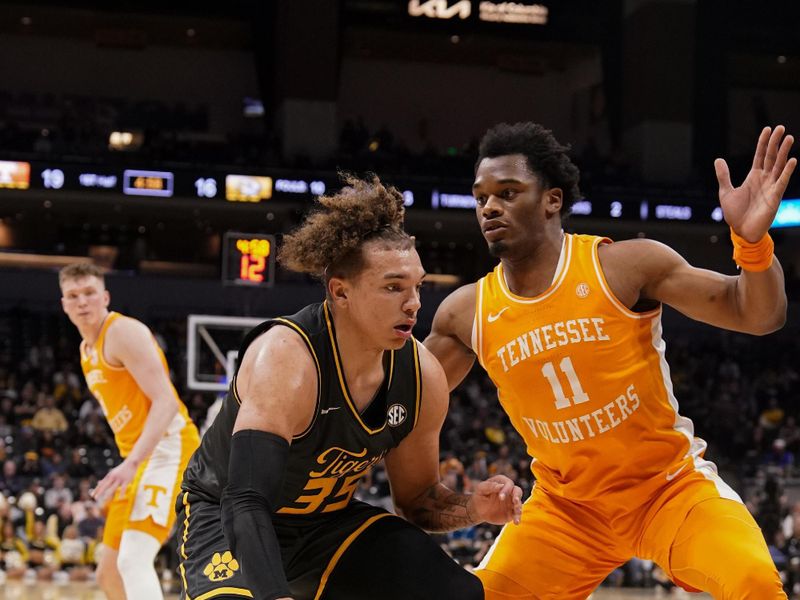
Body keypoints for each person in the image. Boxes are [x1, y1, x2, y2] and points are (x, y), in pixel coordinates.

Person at [424, 122, 796, 599]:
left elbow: (760, 315)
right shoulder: (465, 313)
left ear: (552, 200)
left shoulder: (623, 267)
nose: (489, 207)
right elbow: (401, 402)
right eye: (480, 198)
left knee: (754, 584)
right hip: (566, 510)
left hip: (668, 489)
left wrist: (753, 244)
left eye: (508, 192)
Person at [178, 174, 523, 600]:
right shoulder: (286, 360)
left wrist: (474, 507)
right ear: (341, 293)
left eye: (418, 286)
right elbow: (246, 500)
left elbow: (417, 502)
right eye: (393, 287)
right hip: (228, 517)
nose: (414, 302)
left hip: (326, 526)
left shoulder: (421, 376)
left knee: (456, 593)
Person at [59, 262, 200, 600]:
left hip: (168, 448)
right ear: (64, 304)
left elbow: (166, 402)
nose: (82, 302)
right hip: (137, 459)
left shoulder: (122, 332)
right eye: (73, 296)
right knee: (108, 571)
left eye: (90, 293)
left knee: (134, 560)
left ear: (105, 296)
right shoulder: (86, 351)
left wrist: (133, 462)